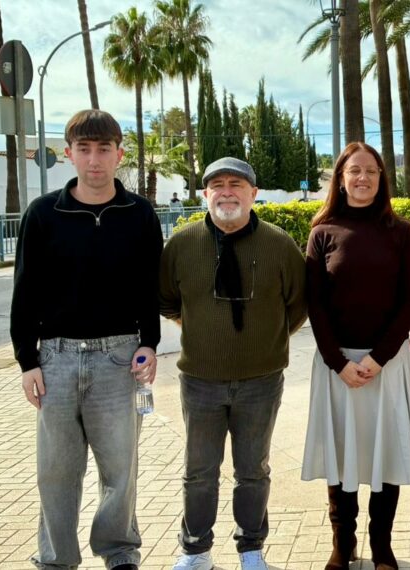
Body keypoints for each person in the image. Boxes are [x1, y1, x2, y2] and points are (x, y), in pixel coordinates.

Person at [10, 109, 162, 570]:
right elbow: (25, 291)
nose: (94, 160)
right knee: (56, 472)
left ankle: (119, 553)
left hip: (118, 358)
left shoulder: (138, 214)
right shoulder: (43, 214)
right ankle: (56, 559)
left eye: (103, 149)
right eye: (84, 149)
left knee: (120, 469)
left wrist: (149, 343)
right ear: (69, 154)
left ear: (119, 154)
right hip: (54, 359)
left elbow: (149, 287)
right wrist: (26, 361)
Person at [159, 157, 307, 570]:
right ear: (205, 193)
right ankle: (196, 550)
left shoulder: (279, 244)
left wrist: (265, 342)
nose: (227, 192)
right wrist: (203, 332)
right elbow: (168, 300)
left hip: (261, 381)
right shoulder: (182, 245)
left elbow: (297, 305)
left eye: (236, 185)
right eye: (218, 185)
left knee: (253, 470)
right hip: (200, 381)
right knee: (199, 471)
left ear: (253, 193)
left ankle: (250, 548)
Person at [301, 142, 410, 570]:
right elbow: (314, 304)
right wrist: (338, 362)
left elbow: (409, 302)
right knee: (342, 460)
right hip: (337, 367)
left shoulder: (401, 231)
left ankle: (381, 545)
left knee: (385, 456)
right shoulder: (322, 232)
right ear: (340, 178)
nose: (363, 179)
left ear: (382, 179)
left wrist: (378, 358)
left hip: (387, 364)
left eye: (371, 172)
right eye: (354, 171)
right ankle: (344, 544)